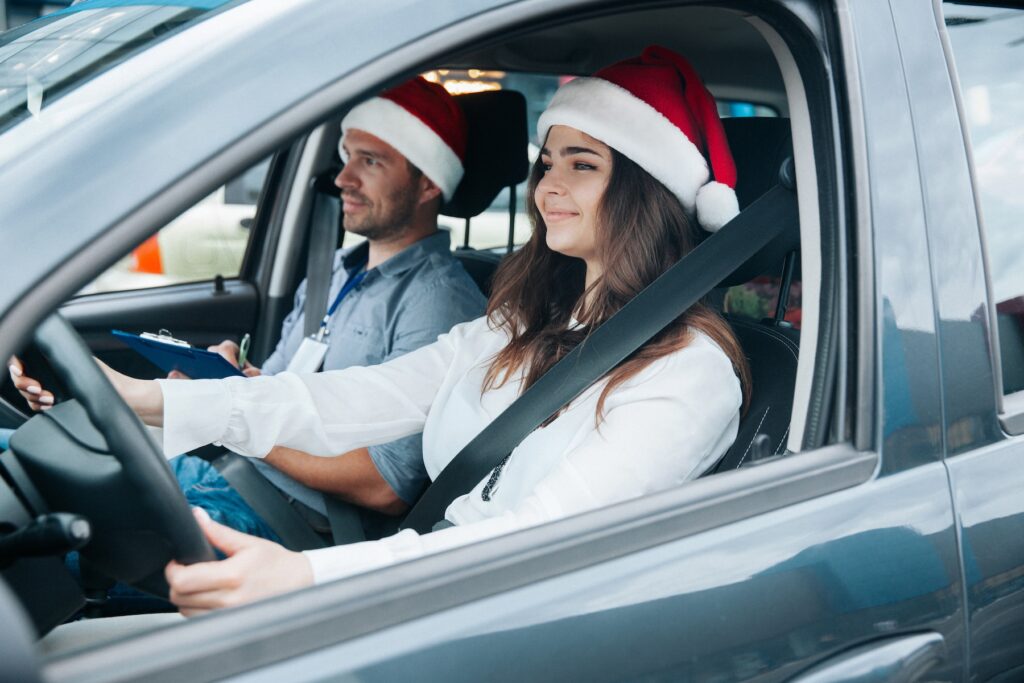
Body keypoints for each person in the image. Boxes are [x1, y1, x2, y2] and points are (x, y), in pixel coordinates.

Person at [43, 46, 753, 616]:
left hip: (503, 620)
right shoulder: (526, 320)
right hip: (425, 591)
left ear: (646, 189)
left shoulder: (688, 371)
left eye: (583, 164)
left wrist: (307, 578)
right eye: (547, 163)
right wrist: (141, 398)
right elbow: (354, 399)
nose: (547, 187)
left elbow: (526, 548)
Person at [8, 77, 486, 541]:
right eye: (346, 157)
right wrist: (228, 378)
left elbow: (384, 487)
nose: (343, 177)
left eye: (371, 161)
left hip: (287, 522)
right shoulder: (338, 270)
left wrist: (224, 414)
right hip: (228, 474)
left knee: (46, 546)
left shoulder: (440, 304)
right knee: (21, 462)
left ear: (428, 185)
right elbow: (272, 389)